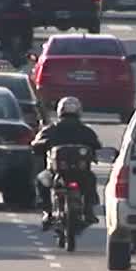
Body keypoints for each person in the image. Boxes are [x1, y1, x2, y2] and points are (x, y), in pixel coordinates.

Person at [32, 97, 102, 230]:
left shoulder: (51, 129)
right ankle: (88, 211)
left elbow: (36, 144)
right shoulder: (86, 130)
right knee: (90, 180)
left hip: (60, 172)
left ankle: (48, 212)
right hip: (73, 173)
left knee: (41, 180)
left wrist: (39, 147)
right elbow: (97, 145)